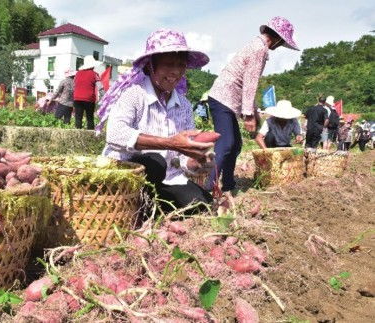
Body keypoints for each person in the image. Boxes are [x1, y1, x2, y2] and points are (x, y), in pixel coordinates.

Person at [96, 29, 214, 212]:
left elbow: (183, 158)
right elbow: (115, 134)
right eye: (168, 64)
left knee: (203, 204)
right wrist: (170, 143)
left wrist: (196, 162)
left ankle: (151, 207)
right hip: (128, 174)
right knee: (155, 162)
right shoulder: (133, 94)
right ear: (151, 65)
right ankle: (137, 207)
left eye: (180, 65)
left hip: (166, 178)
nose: (175, 72)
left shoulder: (183, 105)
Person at [206, 16, 299, 193]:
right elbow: (250, 83)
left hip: (227, 99)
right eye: (281, 42)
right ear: (278, 38)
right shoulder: (260, 49)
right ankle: (208, 188)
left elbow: (249, 85)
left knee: (235, 144)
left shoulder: (257, 45)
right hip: (223, 97)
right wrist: (248, 115)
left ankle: (228, 184)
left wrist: (253, 111)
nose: (279, 46)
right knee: (226, 144)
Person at [73, 55, 101, 130]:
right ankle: (90, 134)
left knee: (78, 117)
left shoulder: (77, 73)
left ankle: (77, 133)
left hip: (77, 98)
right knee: (89, 117)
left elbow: (74, 84)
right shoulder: (94, 74)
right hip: (88, 99)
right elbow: (100, 87)